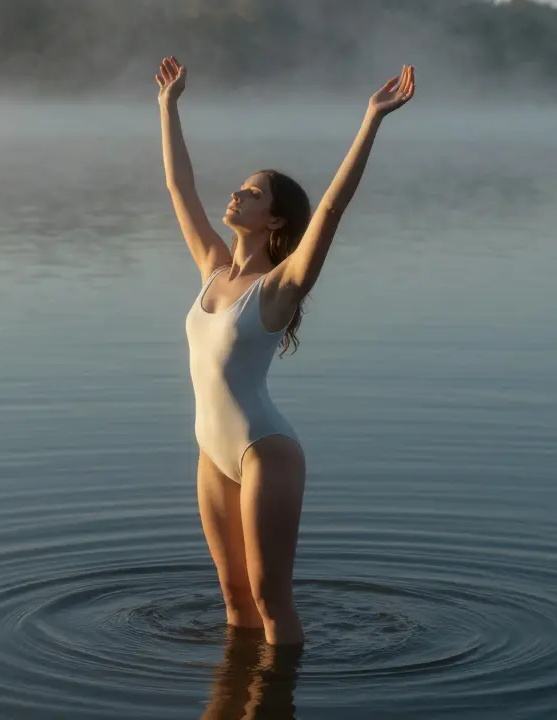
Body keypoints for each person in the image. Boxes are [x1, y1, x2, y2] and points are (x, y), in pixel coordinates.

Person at [156, 55, 414, 646]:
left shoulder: (277, 289)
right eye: (241, 188)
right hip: (211, 453)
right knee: (234, 599)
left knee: (272, 601)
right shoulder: (213, 270)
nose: (236, 195)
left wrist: (371, 120)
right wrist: (168, 107)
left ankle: (279, 701)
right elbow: (178, 185)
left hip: (263, 453)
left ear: (272, 217)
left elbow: (329, 209)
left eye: (251, 192)